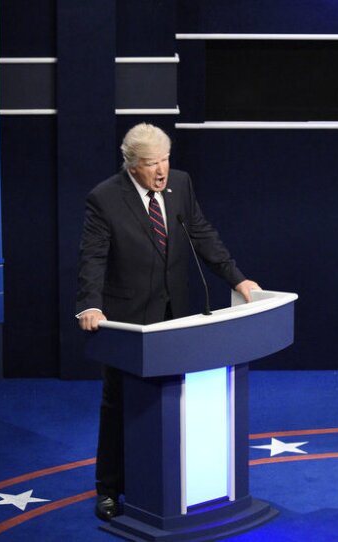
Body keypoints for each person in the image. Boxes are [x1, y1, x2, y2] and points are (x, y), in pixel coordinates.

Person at [76, 123, 260, 521]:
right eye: (150, 163)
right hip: (128, 320)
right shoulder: (105, 199)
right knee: (119, 404)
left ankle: (174, 482)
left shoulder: (180, 184)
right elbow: (93, 257)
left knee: (175, 399)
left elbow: (202, 234)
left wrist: (237, 278)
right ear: (131, 166)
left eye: (165, 159)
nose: (161, 170)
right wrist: (90, 305)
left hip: (177, 315)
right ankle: (109, 489)